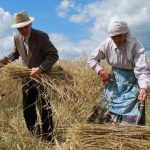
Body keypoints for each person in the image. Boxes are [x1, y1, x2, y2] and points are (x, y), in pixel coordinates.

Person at [0, 11, 59, 140]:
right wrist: (2, 63)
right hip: (27, 78)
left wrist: (40, 68)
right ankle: (34, 134)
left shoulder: (41, 37)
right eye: (20, 28)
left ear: (30, 23)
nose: (23, 30)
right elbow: (15, 54)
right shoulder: (17, 38)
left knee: (45, 108)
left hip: (43, 78)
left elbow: (53, 55)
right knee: (27, 108)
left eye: (26, 26)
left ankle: (48, 137)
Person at [88, 20, 149, 125]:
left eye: (119, 36)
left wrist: (143, 88)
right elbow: (92, 59)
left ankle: (128, 137)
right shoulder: (107, 44)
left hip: (132, 84)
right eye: (113, 37)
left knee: (132, 110)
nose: (116, 39)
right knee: (107, 108)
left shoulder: (136, 46)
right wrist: (101, 71)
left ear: (126, 33)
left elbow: (142, 71)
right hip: (114, 83)